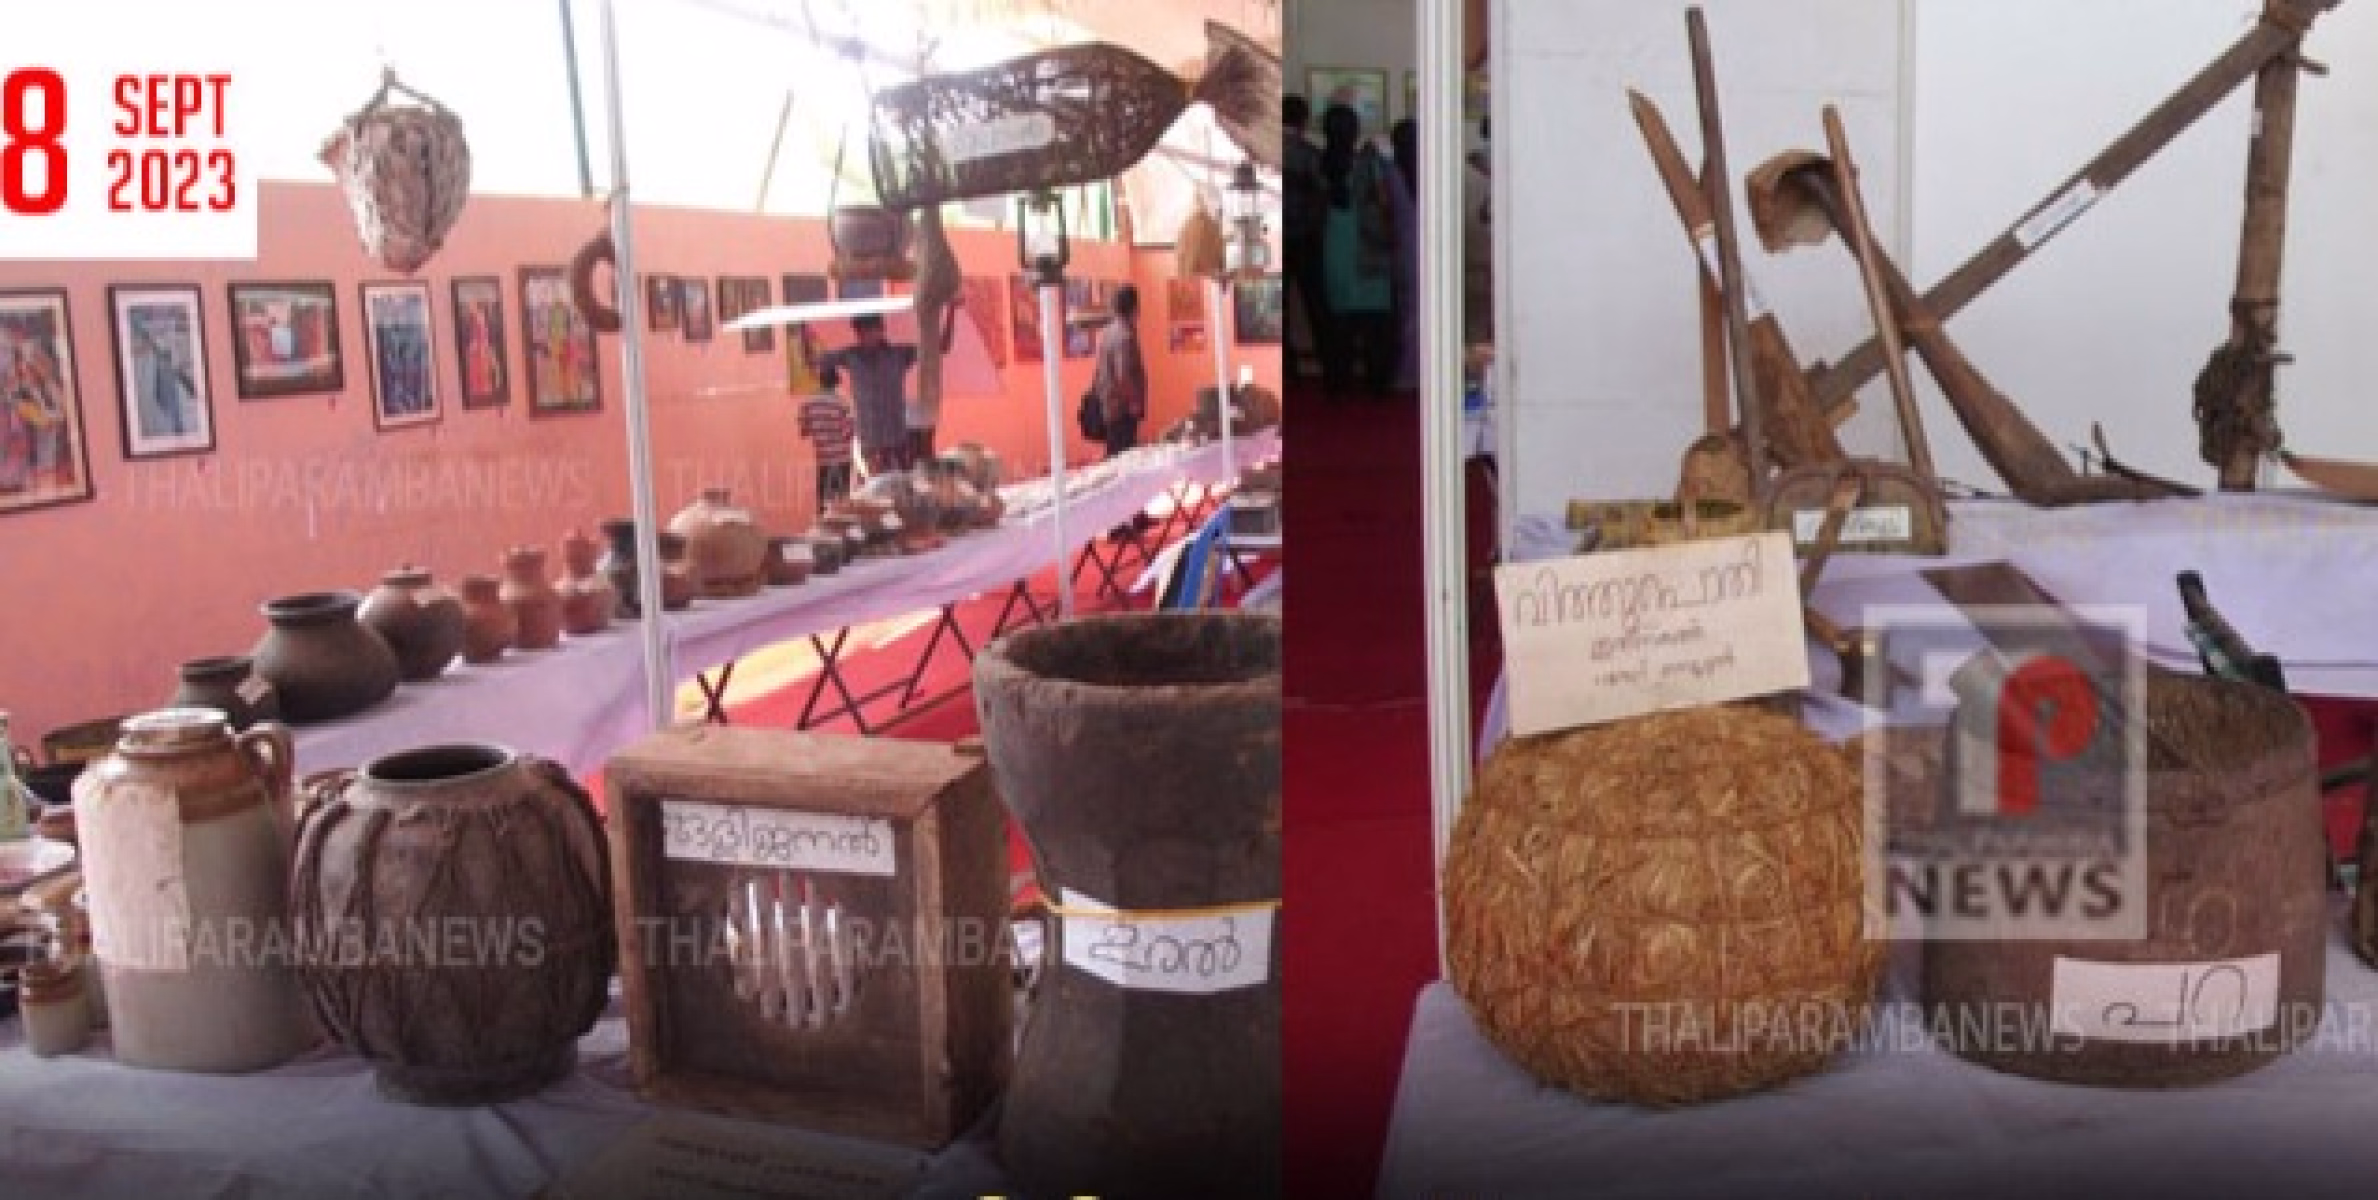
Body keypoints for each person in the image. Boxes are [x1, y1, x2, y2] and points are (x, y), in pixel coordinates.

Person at [1319, 104, 1395, 397]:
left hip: (1336, 242)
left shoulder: (1320, 162)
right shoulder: (1368, 163)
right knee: (1376, 324)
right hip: (1367, 242)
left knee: (1340, 322)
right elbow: (1383, 200)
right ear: (1355, 130)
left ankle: (1338, 384)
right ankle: (1377, 384)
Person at [827, 312, 918, 474]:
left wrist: (949, 313)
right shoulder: (851, 356)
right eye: (861, 333)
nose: (866, 337)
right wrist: (800, 327)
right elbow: (815, 360)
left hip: (896, 435)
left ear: (881, 329)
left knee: (903, 480)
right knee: (876, 482)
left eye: (870, 331)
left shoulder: (899, 354)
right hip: (869, 438)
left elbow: (941, 347)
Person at [1281, 94, 1330, 384]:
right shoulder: (1310, 154)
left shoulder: (1265, 151)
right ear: (1303, 120)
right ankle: (1331, 369)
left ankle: (1288, 372)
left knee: (1281, 309)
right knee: (1316, 305)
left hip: (1277, 238)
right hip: (1307, 237)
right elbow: (1323, 196)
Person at [1090, 283, 1148, 458]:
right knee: (1124, 456)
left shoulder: (1107, 333)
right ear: (1133, 308)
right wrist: (1134, 402)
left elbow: (1100, 371)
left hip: (1109, 405)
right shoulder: (1125, 336)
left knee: (1114, 453)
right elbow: (1123, 375)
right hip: (1122, 409)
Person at [1389, 118, 1421, 392]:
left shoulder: (1389, 171)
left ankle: (1407, 372)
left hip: (1400, 249)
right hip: (1423, 249)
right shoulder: (1429, 170)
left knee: (1404, 313)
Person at [799, 361, 857, 508]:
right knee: (842, 505)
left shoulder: (807, 404)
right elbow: (848, 433)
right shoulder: (842, 404)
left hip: (823, 460)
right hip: (842, 460)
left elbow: (804, 431)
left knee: (823, 504)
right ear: (836, 382)